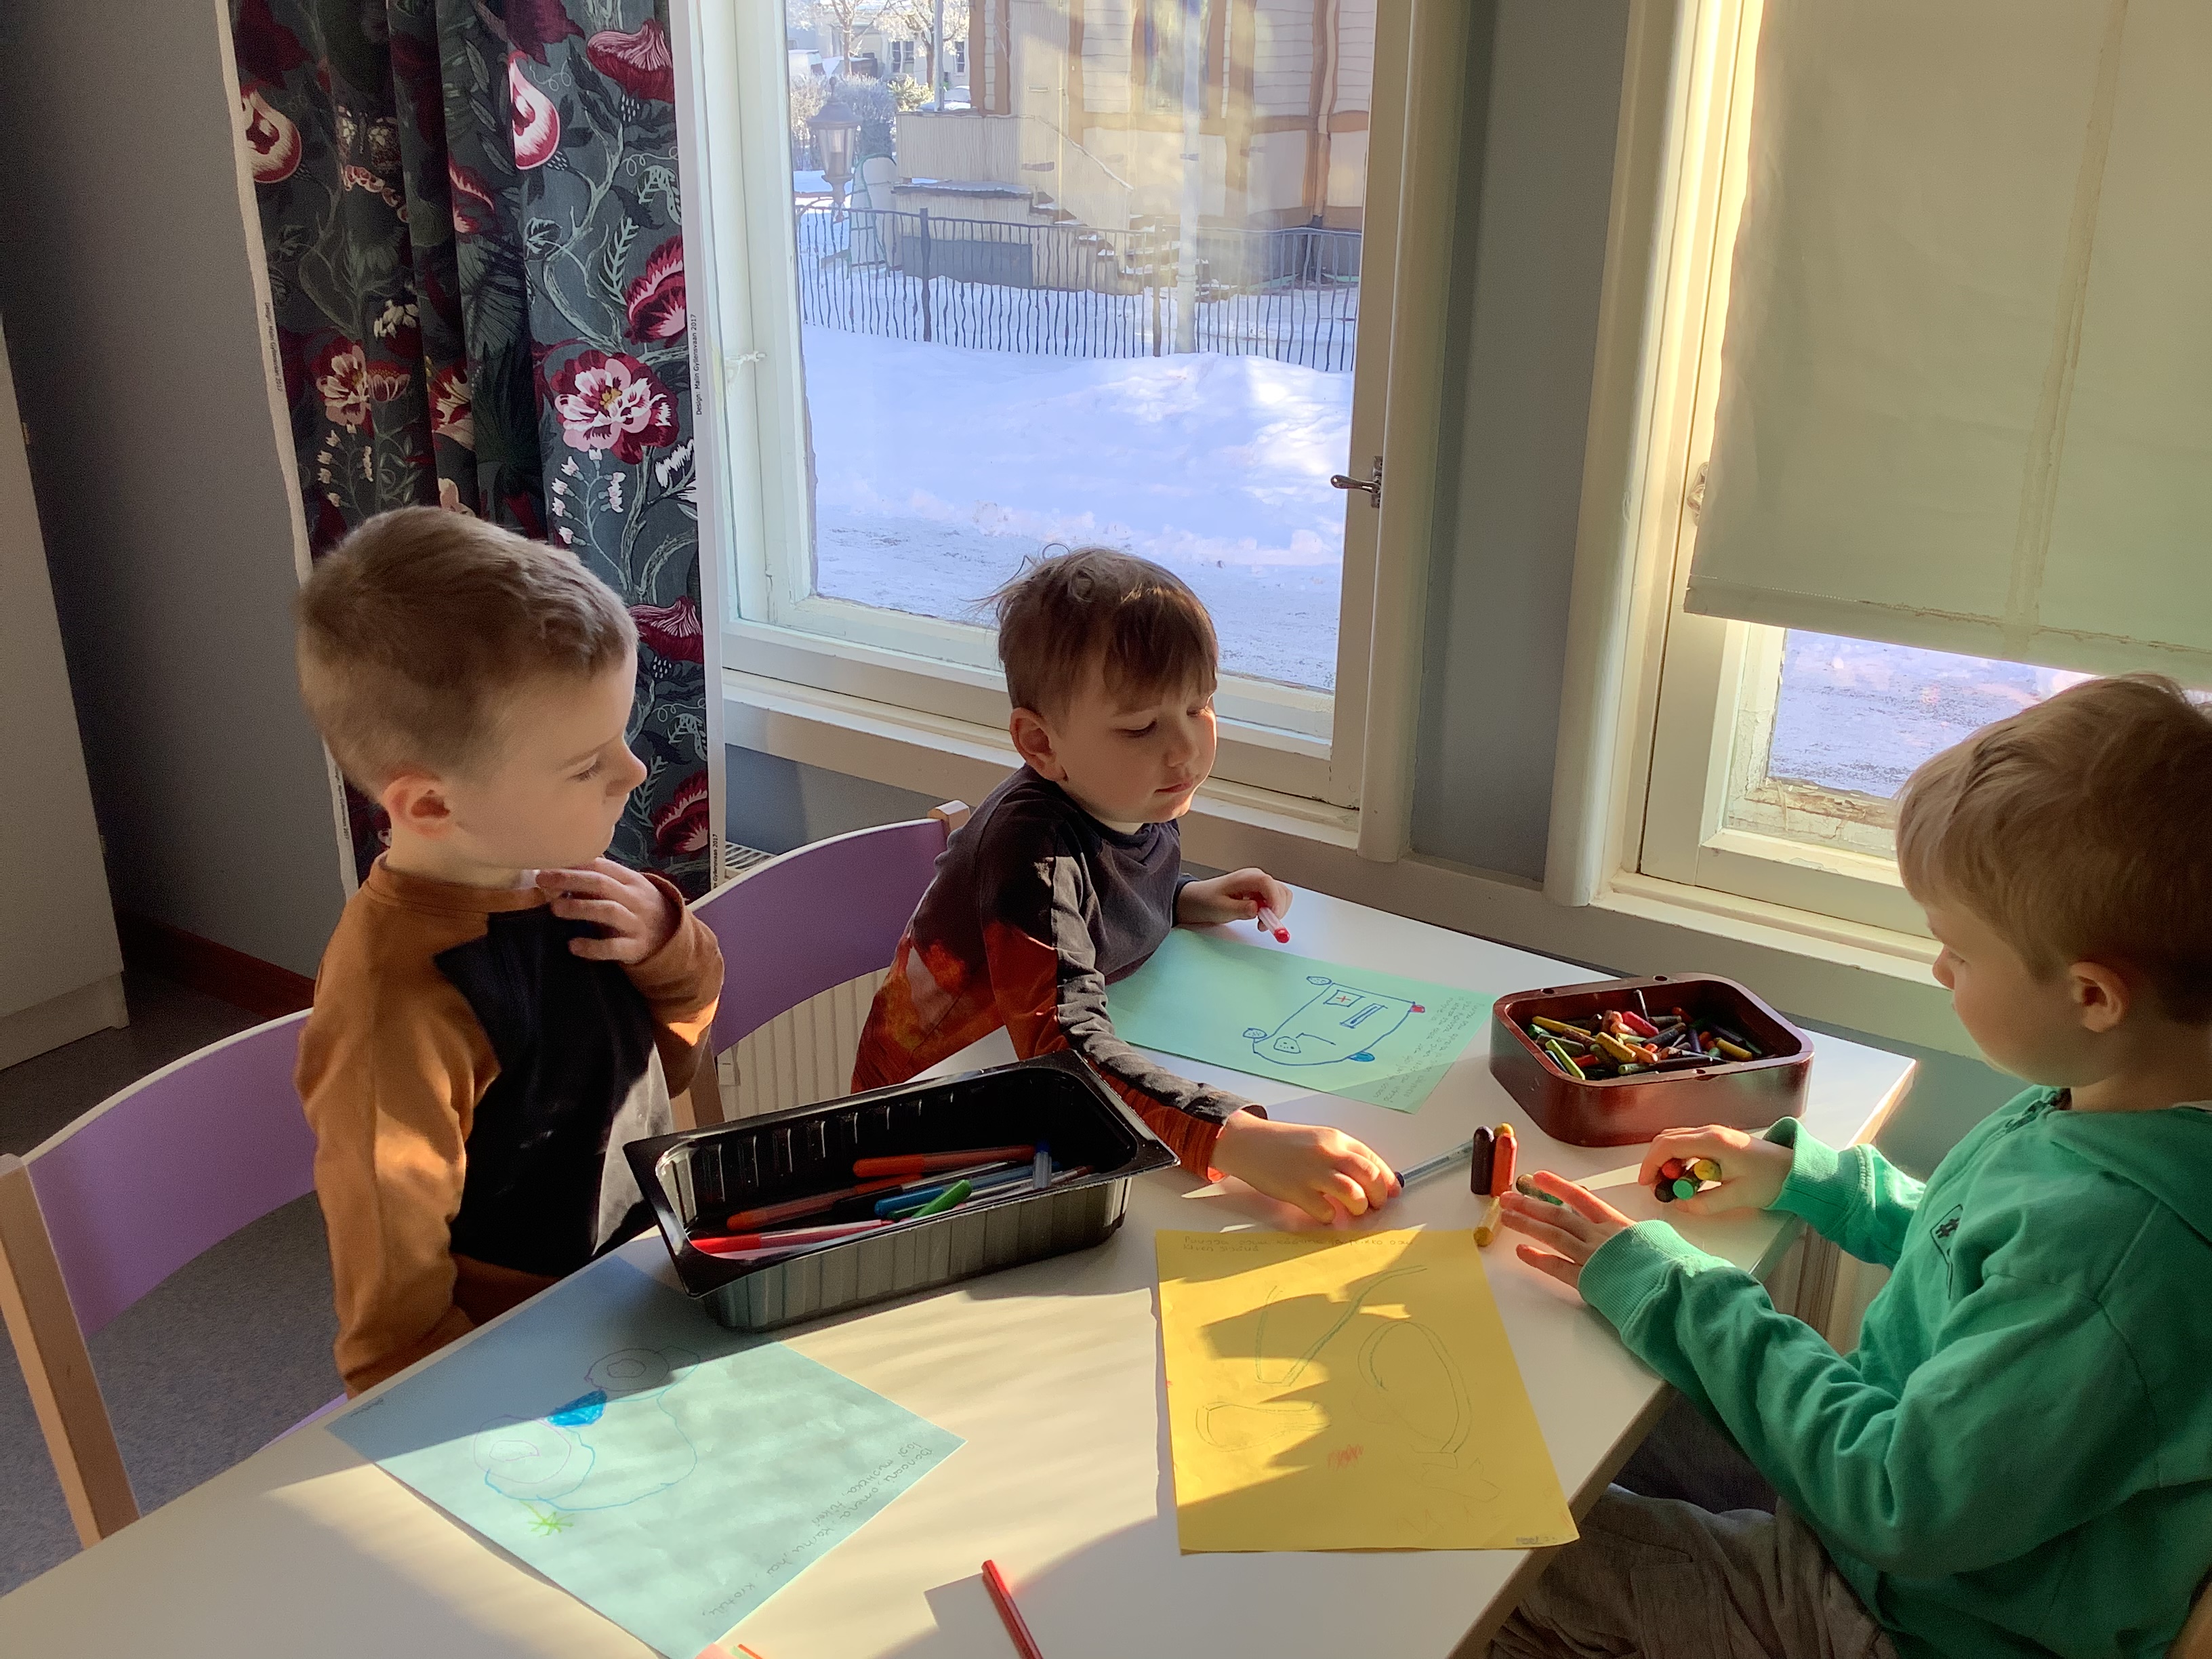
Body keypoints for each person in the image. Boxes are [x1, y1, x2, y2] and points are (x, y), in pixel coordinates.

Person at [1494, 674, 2212, 1659]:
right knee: (1569, 1388)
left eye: (1959, 952)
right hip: (1888, 1497)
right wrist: (1818, 1183)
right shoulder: (2111, 1099)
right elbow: (1977, 1247)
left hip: (1906, 1610)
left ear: (2092, 996)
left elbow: (1898, 1501)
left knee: (1494, 1546)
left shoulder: (2114, 1253)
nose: (1940, 970)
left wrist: (1682, 1292)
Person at [293, 507, 722, 1396]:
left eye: (620, 739)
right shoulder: (396, 1005)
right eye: (586, 765)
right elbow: (392, 1313)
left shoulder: (562, 872)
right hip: (525, 1361)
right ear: (433, 806)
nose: (634, 773)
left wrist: (664, 944)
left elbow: (666, 1069)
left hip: (637, 1279)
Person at [851, 548, 1398, 1223]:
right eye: (1140, 727)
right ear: (1041, 745)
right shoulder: (1031, 851)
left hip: (1019, 1093)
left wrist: (1181, 899)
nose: (1184, 749)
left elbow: (1092, 904)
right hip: (930, 1131)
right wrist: (1236, 1138)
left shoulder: (1134, 793)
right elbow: (1060, 1049)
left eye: (1199, 707)